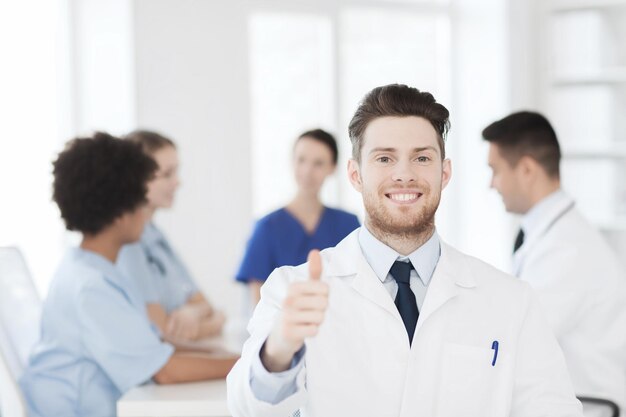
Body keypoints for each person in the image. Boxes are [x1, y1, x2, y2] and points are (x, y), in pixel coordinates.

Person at [226, 84, 583, 417]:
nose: (404, 174)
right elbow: (248, 407)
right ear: (355, 175)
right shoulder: (290, 290)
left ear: (444, 173)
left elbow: (553, 408)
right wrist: (278, 351)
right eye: (384, 159)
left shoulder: (511, 301)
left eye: (422, 158)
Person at [20, 133, 238, 417]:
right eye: (139, 201)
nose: (144, 213)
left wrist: (236, 357)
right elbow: (165, 372)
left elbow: (158, 344)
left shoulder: (95, 269)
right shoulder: (91, 286)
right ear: (121, 212)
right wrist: (253, 365)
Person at [482, 111, 626, 415]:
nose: (491, 184)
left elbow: (517, 339)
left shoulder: (569, 250)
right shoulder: (550, 236)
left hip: (586, 407)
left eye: (495, 170)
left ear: (526, 170)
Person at [117, 130, 225, 342]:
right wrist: (215, 323)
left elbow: (207, 305)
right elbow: (163, 332)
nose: (178, 182)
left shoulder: (156, 236)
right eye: (167, 174)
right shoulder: (127, 244)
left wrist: (193, 313)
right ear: (135, 181)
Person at [235, 129, 360, 305]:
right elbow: (259, 308)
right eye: (301, 160)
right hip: (284, 329)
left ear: (332, 168)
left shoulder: (348, 225)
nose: (307, 171)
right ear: (292, 161)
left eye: (318, 163)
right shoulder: (267, 227)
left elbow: (359, 289)